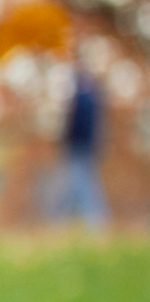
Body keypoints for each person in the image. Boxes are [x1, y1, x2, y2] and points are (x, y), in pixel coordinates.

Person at [56, 69, 111, 228]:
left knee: (82, 186)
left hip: (78, 148)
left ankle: (96, 222)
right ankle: (60, 223)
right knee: (71, 186)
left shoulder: (82, 100)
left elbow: (76, 127)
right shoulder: (93, 99)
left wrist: (68, 143)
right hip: (85, 149)